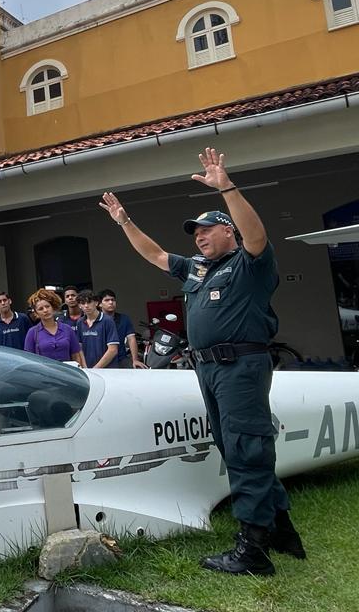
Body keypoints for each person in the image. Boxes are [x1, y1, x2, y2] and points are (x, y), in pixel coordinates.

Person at [100, 147, 303, 575]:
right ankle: (281, 529)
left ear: (228, 232)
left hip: (240, 366)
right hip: (208, 368)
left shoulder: (249, 264)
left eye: (207, 230)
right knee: (234, 447)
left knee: (247, 447)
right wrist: (124, 222)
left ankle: (253, 550)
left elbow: (257, 236)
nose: (199, 236)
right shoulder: (196, 268)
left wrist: (226, 187)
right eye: (195, 233)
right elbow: (155, 254)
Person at [23, 289, 84, 366]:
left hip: (67, 373)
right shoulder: (32, 332)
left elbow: (76, 355)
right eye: (40, 309)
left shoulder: (67, 329)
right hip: (44, 375)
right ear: (36, 313)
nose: (45, 310)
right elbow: (29, 360)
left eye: (47, 306)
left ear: (53, 307)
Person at [75, 290, 121, 369]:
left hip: (108, 369)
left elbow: (113, 350)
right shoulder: (80, 322)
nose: (86, 306)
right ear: (79, 305)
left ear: (96, 303)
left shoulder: (107, 320)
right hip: (88, 369)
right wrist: (84, 366)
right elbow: (79, 348)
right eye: (83, 303)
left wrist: (96, 369)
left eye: (89, 302)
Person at [100, 289, 145, 368]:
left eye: (113, 300)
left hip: (121, 359)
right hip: (101, 359)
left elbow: (131, 339)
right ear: (99, 304)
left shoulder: (124, 319)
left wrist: (135, 359)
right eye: (106, 300)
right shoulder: (95, 320)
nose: (111, 302)